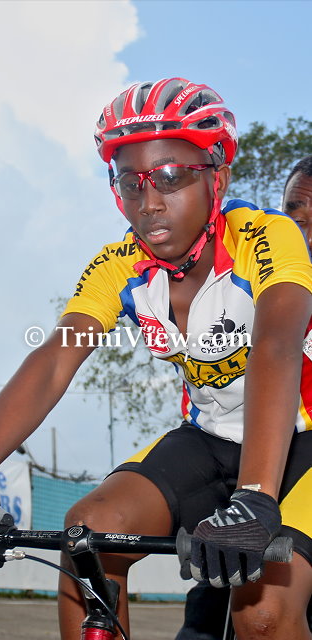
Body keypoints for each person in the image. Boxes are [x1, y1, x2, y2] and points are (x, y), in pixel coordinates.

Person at [0, 78, 312, 640]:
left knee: (262, 614)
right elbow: (56, 358)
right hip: (210, 438)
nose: (149, 203)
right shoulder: (119, 264)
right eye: (131, 182)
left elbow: (276, 345)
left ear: (218, 178)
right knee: (87, 535)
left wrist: (254, 497)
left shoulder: (267, 236)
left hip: (298, 440)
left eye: (171, 177)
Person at [175, 153, 312, 640]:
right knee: (208, 618)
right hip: (243, 481)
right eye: (295, 215)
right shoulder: (250, 275)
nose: (305, 233)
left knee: (265, 614)